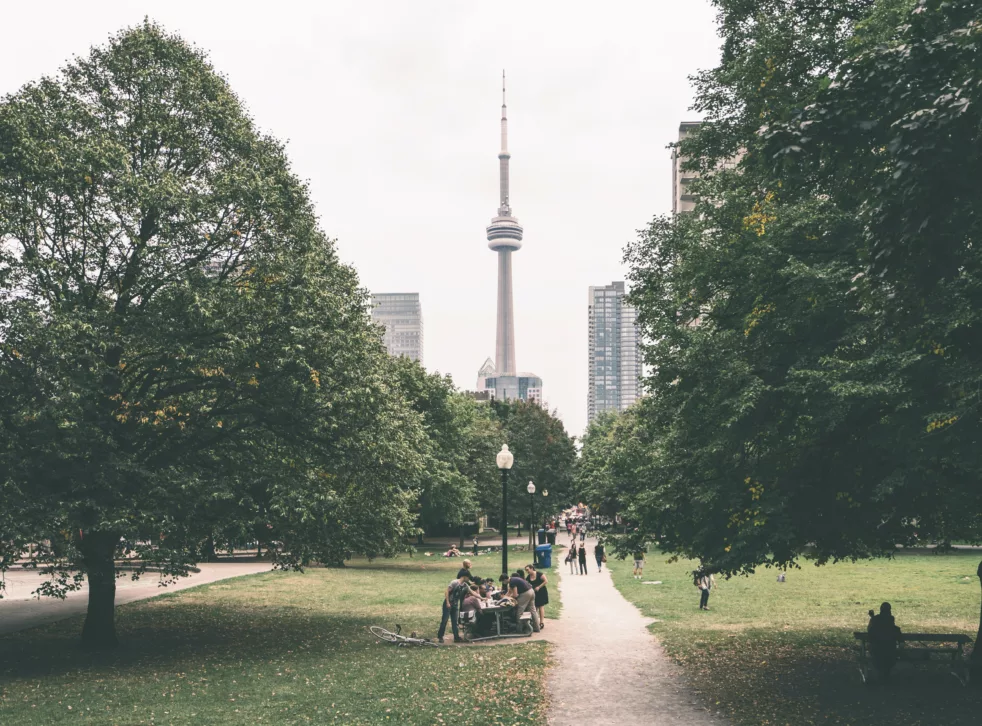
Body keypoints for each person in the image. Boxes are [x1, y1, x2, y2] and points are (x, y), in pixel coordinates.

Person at [867, 602, 902, 681]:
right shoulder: (891, 620)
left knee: (879, 657)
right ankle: (886, 676)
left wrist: (872, 617)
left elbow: (870, 630)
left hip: (877, 650)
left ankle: (881, 676)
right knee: (887, 659)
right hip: (890, 651)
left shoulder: (876, 620)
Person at [438, 569, 471, 643]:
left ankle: (456, 637)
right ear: (464, 576)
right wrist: (447, 602)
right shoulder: (454, 582)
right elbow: (447, 591)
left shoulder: (465, 585)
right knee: (444, 620)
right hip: (448, 604)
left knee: (455, 621)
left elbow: (471, 591)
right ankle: (440, 636)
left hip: (455, 605)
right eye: (468, 577)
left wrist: (481, 598)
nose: (469, 579)